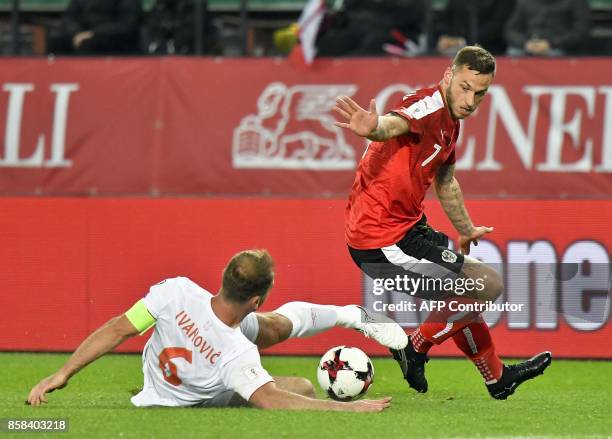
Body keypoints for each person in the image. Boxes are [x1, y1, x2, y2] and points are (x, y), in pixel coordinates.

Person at [333, 46, 551, 400]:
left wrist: (465, 229)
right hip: (379, 241)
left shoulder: (452, 124)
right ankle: (414, 347)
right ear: (449, 75)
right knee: (486, 285)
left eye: (479, 93)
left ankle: (497, 378)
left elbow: (446, 180)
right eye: (465, 87)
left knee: (463, 295)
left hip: (407, 230)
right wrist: (374, 129)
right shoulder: (429, 106)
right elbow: (393, 124)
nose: (470, 100)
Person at [28, 249, 403, 411]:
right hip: (197, 396)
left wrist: (61, 373)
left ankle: (351, 315)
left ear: (222, 279)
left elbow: (117, 329)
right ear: (256, 299)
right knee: (302, 387)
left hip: (164, 381)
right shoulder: (237, 355)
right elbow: (271, 400)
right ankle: (347, 314)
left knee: (273, 328)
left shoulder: (175, 291)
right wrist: (350, 411)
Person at [316, 0, 426, 57]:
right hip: (358, 30)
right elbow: (348, 12)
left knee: (372, 42)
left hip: (396, 35)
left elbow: (411, 16)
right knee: (330, 42)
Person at [47, 0, 142, 55]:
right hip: (81, 35)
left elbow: (127, 25)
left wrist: (93, 34)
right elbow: (70, 17)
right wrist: (75, 34)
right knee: (56, 40)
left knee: (87, 44)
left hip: (111, 38)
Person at [505, 0, 590, 56]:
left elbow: (581, 31)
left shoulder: (576, 2)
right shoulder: (525, 2)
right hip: (528, 45)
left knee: (556, 53)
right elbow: (510, 30)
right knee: (513, 52)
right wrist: (525, 43)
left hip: (560, 47)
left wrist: (551, 44)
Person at [436, 0, 516, 56]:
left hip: (489, 49)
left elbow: (497, 27)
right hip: (453, 47)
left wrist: (462, 41)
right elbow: (445, 19)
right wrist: (445, 37)